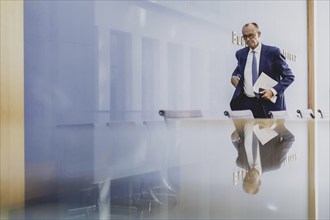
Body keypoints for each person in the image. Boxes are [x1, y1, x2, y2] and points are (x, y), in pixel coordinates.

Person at [230, 22, 295, 118]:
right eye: (245, 37)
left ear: (259, 34)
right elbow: (239, 71)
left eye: (251, 35)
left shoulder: (273, 53)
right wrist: (234, 77)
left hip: (269, 105)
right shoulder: (240, 54)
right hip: (247, 105)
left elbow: (289, 77)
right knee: (248, 133)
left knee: (270, 133)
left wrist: (273, 91)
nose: (248, 39)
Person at [230, 118, 295, 194]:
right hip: (268, 115)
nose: (248, 177)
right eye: (251, 181)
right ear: (259, 182)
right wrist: (273, 125)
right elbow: (289, 139)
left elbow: (238, 145)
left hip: (244, 116)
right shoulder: (274, 163)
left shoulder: (240, 162)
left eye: (245, 179)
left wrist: (233, 139)